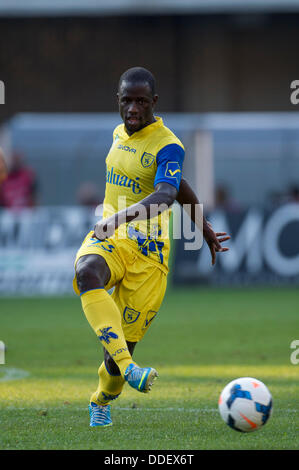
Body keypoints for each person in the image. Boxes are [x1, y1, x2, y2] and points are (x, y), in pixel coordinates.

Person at [73, 67, 230, 427]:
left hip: (150, 256)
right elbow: (175, 184)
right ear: (118, 100)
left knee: (112, 362)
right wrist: (204, 226)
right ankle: (131, 370)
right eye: (127, 100)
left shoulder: (168, 143)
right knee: (87, 272)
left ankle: (102, 397)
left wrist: (199, 226)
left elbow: (167, 192)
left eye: (141, 101)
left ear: (154, 103)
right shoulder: (118, 134)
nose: (133, 109)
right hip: (113, 239)